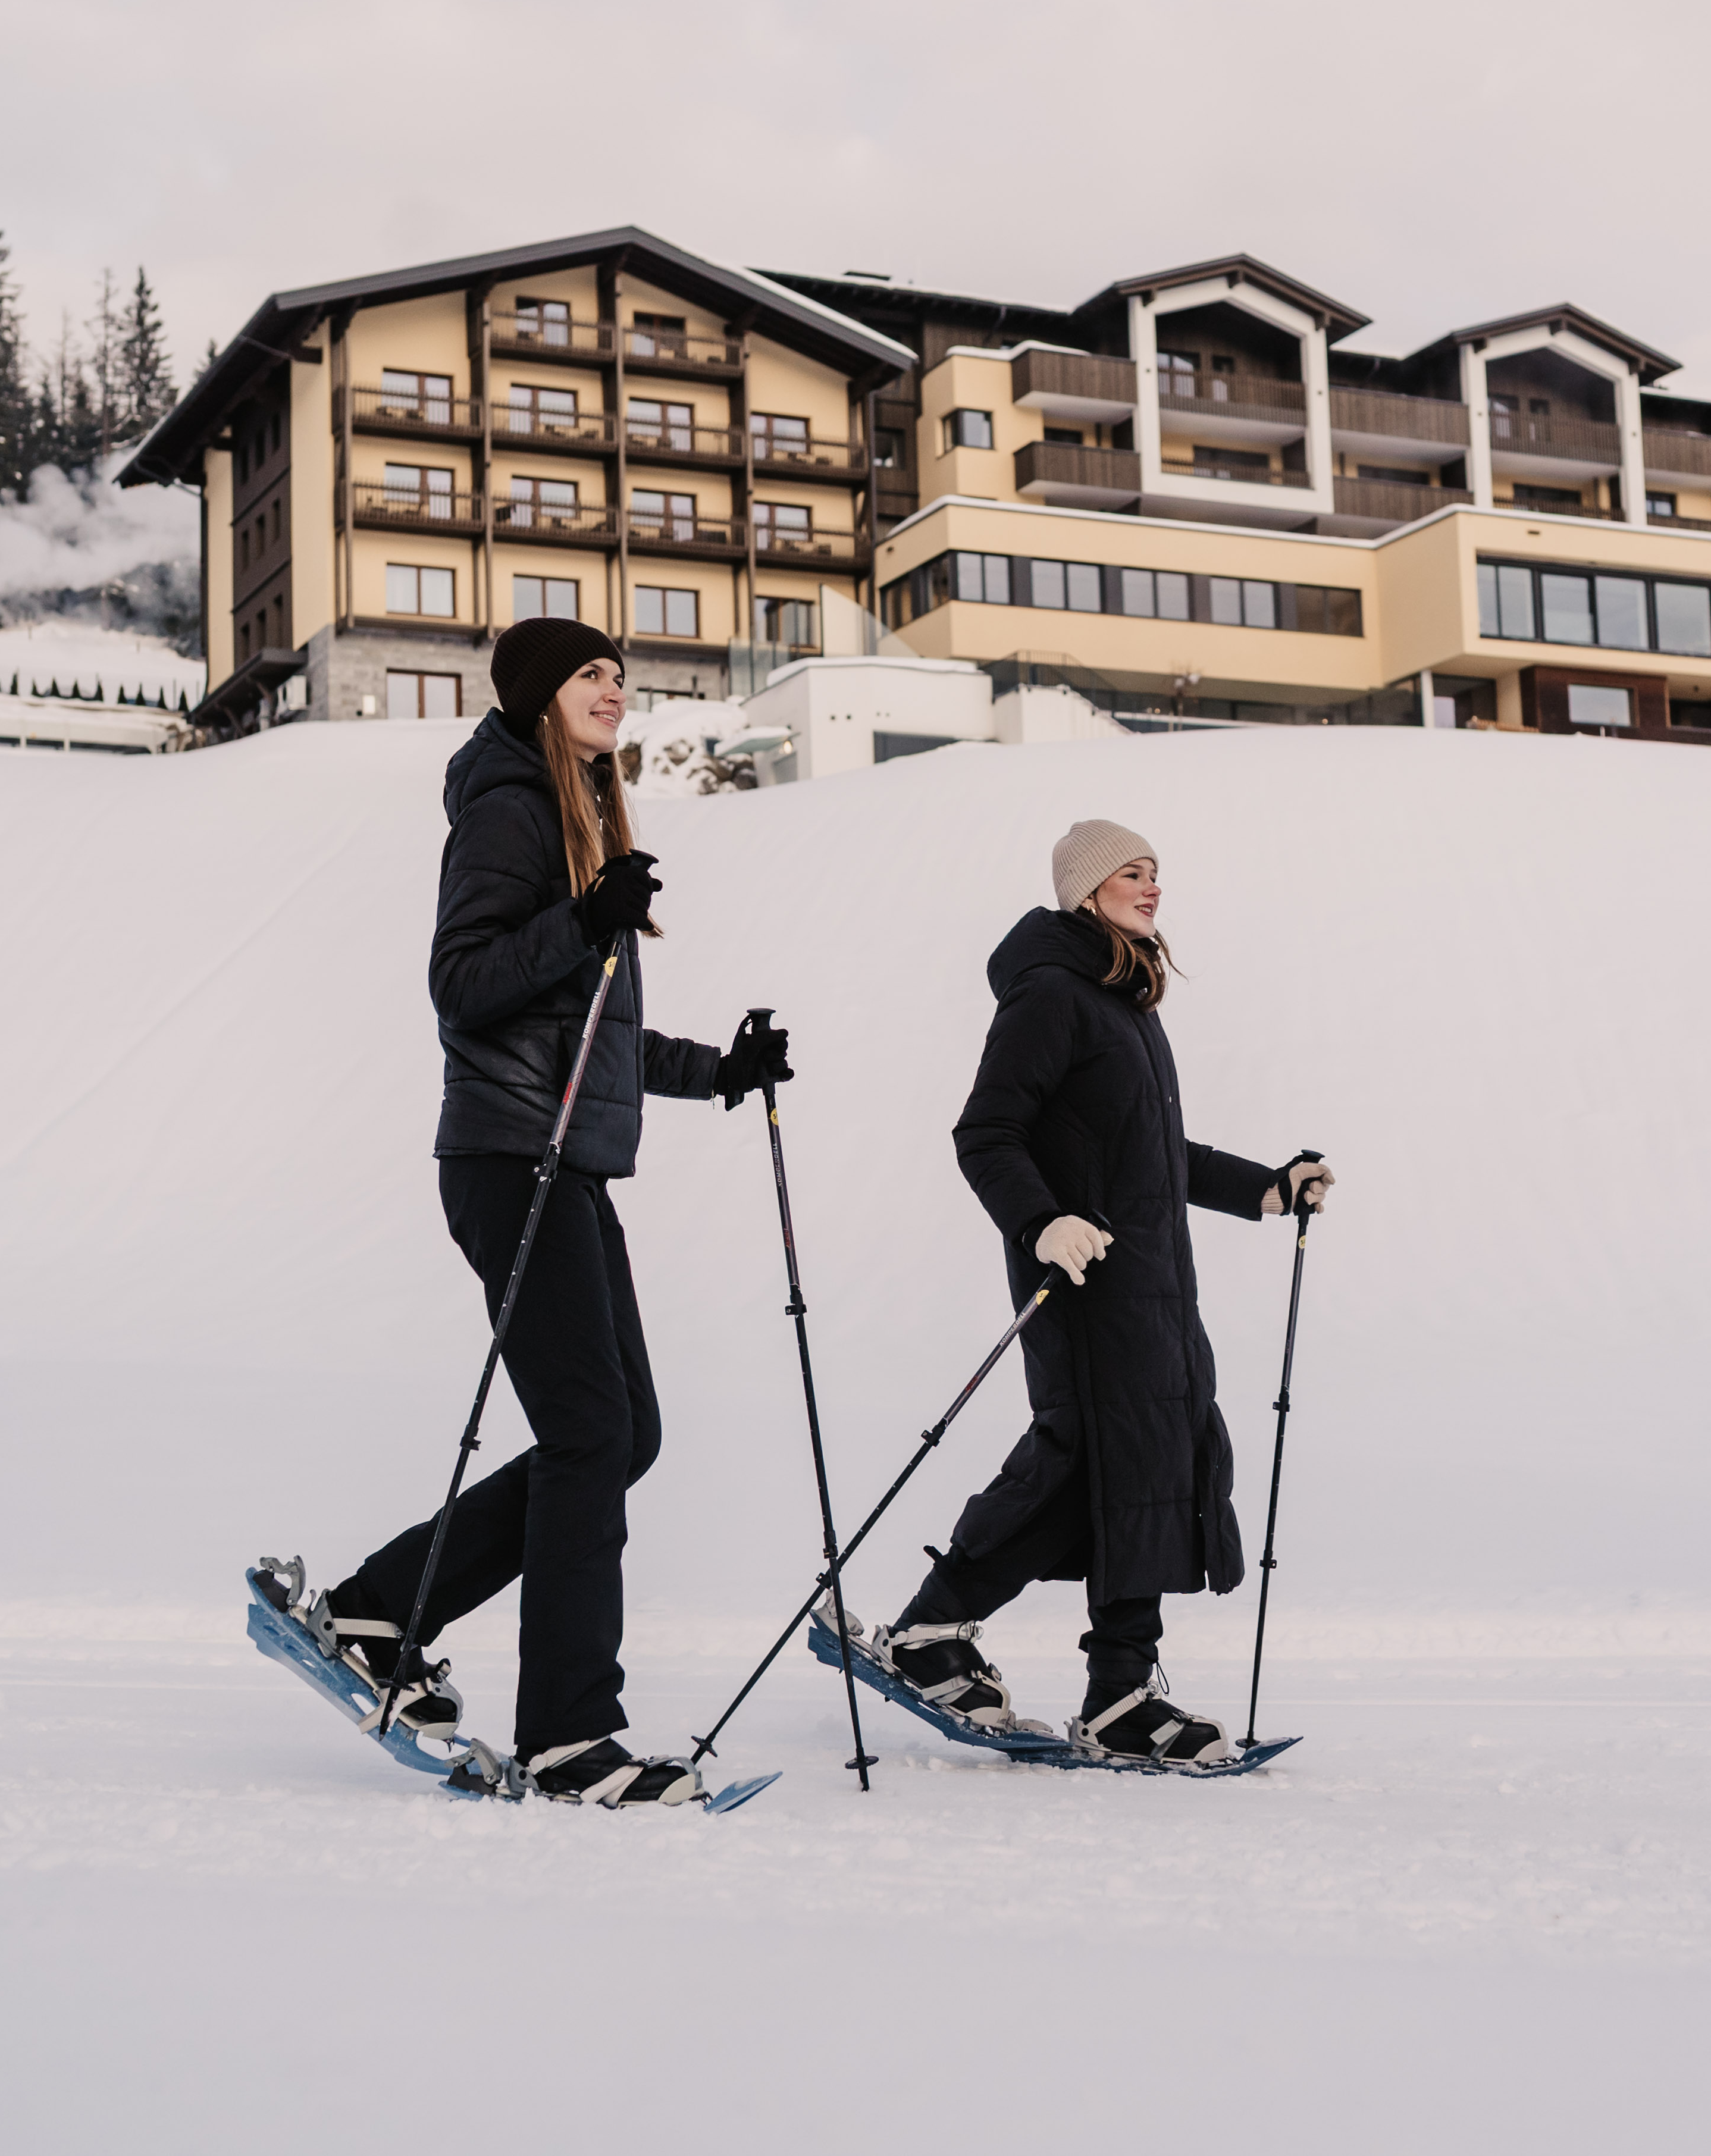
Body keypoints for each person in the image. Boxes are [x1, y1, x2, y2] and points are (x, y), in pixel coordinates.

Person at [256, 618, 791, 1807]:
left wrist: (722, 1070)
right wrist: (584, 920)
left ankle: (376, 1611)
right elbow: (464, 985)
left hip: (565, 1160)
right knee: (594, 1433)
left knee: (621, 1435)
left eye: (621, 674)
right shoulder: (510, 808)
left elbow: (585, 1033)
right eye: (591, 673)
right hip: (512, 1156)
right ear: (542, 693)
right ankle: (568, 1739)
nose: (616, 688)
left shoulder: (578, 818)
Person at [862, 819, 1334, 1765]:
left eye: (1157, 870)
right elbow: (986, 1133)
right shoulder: (1051, 996)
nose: (1151, 886)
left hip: (1152, 1281)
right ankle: (939, 1633)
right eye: (1130, 871)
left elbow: (1161, 1157)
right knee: (1084, 1453)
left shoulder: (1126, 1005)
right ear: (1085, 891)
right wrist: (1041, 1223)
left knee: (1151, 1457)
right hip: (1081, 1277)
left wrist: (1266, 1188)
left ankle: (1116, 1689)